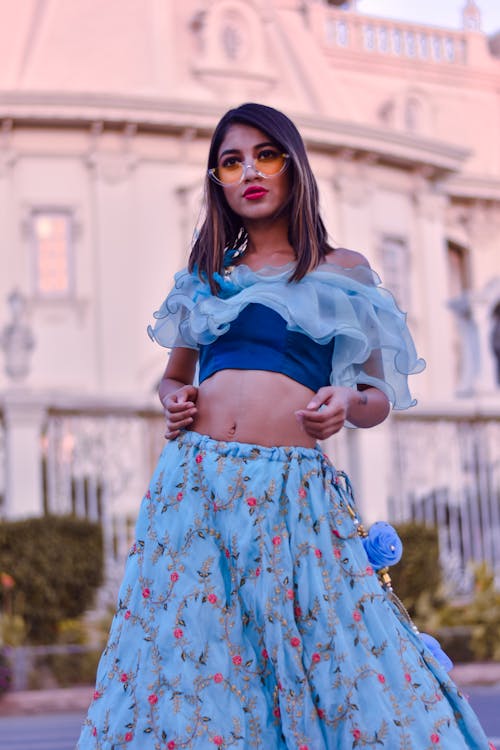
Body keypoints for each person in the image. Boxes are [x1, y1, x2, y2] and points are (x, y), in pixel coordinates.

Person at [77, 103, 492, 749]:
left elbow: (376, 397)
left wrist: (342, 401)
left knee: (325, 643)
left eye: (265, 155)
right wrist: (174, 399)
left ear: (293, 166)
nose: (250, 171)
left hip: (291, 491)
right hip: (195, 488)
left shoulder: (341, 270)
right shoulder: (207, 279)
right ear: (217, 180)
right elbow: (173, 375)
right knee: (197, 655)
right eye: (231, 160)